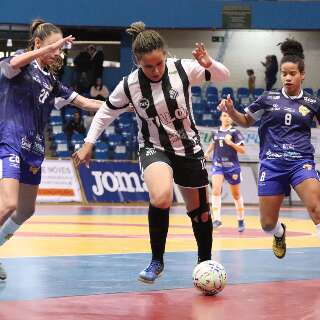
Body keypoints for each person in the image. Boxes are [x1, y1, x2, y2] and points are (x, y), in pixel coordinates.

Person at [73, 21, 230, 283]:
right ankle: (156, 260)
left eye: (159, 63)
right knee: (161, 197)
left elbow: (224, 75)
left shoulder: (182, 69)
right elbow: (105, 113)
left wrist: (208, 62)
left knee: (201, 213)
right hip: (153, 147)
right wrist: (89, 142)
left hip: (189, 148)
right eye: (148, 66)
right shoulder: (129, 85)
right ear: (137, 62)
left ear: (165, 56)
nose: (155, 70)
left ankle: (205, 263)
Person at [0, 19, 104, 280]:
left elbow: (84, 102)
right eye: (53, 47)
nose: (58, 53)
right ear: (37, 44)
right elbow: (12, 65)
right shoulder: (21, 63)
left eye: (60, 48)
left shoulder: (52, 81)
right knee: (8, 204)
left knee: (26, 210)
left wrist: (124, 104)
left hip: (33, 150)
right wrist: (48, 48)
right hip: (9, 140)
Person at [219, 38, 320, 259]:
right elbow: (245, 120)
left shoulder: (313, 102)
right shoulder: (267, 98)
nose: (287, 77)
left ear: (302, 74)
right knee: (267, 224)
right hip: (272, 163)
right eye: (284, 73)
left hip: (300, 162)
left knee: (317, 209)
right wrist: (231, 110)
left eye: (292, 73)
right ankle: (279, 233)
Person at [204, 112, 246, 232]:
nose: (227, 118)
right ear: (220, 118)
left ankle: (241, 220)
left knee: (236, 195)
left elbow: (243, 150)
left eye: (229, 116)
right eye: (224, 115)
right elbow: (213, 143)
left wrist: (231, 143)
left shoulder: (235, 132)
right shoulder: (215, 132)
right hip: (218, 165)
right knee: (215, 190)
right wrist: (207, 153)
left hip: (232, 167)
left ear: (232, 119)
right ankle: (217, 219)